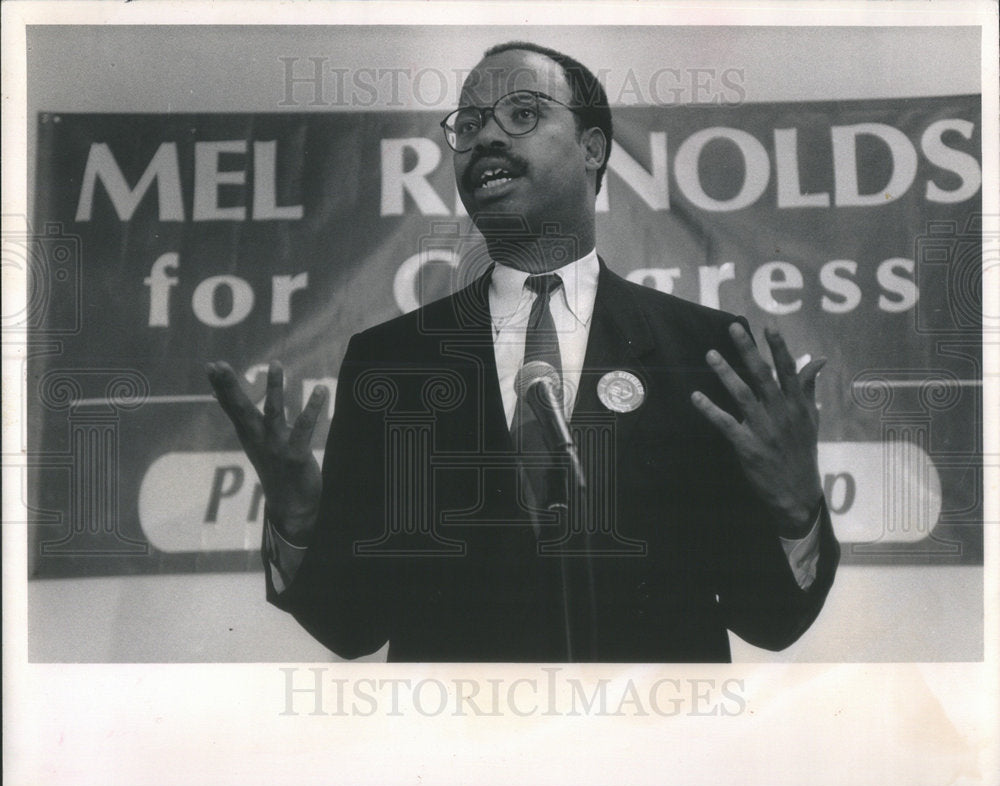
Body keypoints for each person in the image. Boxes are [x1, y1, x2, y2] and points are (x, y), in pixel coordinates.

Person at [206, 42, 839, 662]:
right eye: (471, 123)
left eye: (523, 114)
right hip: (463, 747)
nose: (485, 139)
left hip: (649, 744)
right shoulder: (392, 362)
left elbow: (770, 620)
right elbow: (354, 625)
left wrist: (795, 506)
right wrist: (299, 517)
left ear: (592, 149)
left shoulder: (703, 351)